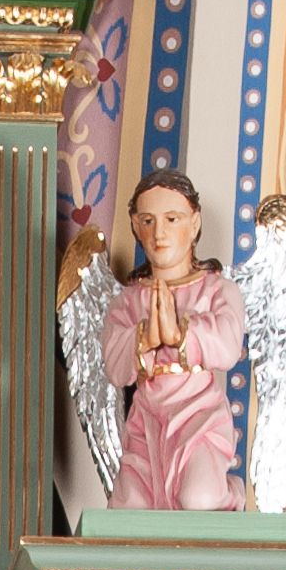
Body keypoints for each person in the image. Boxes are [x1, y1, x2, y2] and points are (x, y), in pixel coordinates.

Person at [101, 166, 247, 511]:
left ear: (194, 223)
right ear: (135, 225)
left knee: (198, 499)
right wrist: (145, 337)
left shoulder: (218, 290)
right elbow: (115, 369)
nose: (159, 233)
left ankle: (232, 494)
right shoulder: (128, 301)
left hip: (198, 413)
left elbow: (227, 346)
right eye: (148, 221)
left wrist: (181, 333)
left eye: (172, 219)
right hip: (148, 420)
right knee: (128, 510)